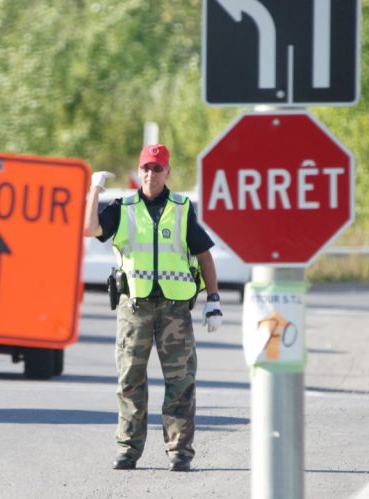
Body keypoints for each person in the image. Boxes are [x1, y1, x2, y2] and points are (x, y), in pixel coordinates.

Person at [83, 144, 223, 472]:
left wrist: (213, 300)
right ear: (139, 170)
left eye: (157, 169)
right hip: (135, 309)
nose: (151, 174)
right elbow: (90, 229)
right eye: (146, 168)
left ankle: (179, 453)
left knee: (180, 382)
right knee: (130, 381)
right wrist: (95, 189)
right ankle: (128, 450)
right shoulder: (124, 207)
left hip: (175, 311)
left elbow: (204, 255)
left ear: (167, 172)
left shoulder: (182, 208)